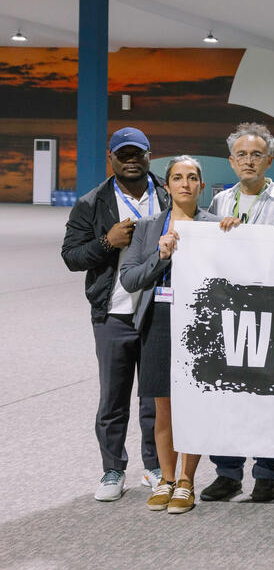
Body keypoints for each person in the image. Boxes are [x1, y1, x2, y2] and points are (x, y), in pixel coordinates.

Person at [61, 127, 167, 501]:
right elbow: (71, 256)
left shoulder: (167, 195)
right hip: (114, 313)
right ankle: (112, 470)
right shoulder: (92, 203)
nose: (131, 160)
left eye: (137, 153)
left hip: (159, 311)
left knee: (154, 397)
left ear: (149, 155)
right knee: (114, 398)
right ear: (112, 158)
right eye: (123, 154)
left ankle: (154, 466)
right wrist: (109, 241)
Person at [202, 122, 274, 503]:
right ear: (230, 162)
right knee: (227, 394)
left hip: (270, 314)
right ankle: (227, 473)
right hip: (227, 314)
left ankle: (265, 474)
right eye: (241, 154)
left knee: (266, 396)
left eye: (256, 154)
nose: (249, 160)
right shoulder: (219, 203)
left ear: (270, 160)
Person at [119, 155, 219, 513]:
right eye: (178, 177)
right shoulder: (148, 228)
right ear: (167, 185)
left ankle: (188, 481)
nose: (185, 184)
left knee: (192, 406)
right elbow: (129, 278)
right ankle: (166, 478)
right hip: (159, 320)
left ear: (202, 186)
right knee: (163, 408)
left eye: (193, 178)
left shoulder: (215, 225)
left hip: (200, 323)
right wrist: (160, 256)